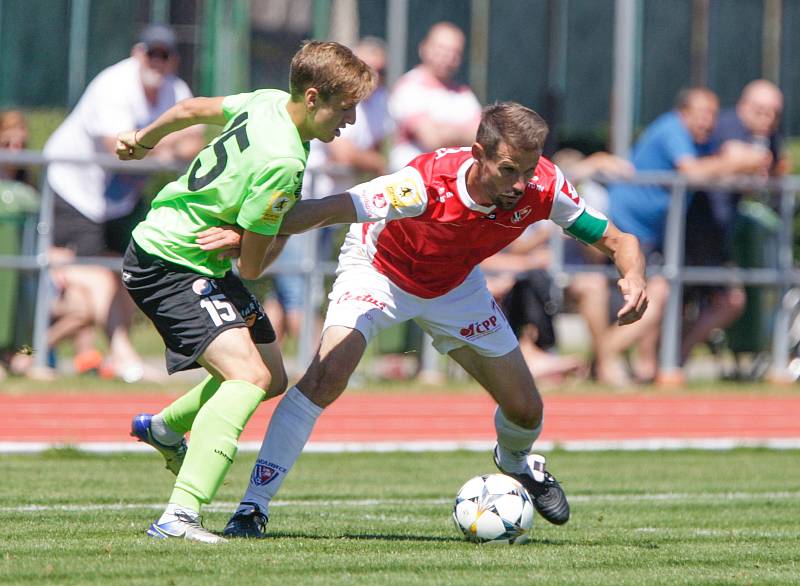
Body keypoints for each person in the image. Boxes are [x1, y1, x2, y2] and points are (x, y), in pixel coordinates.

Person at [207, 102, 649, 538]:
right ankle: (252, 507)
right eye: (510, 170)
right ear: (478, 155)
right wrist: (252, 231)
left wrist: (633, 276)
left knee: (526, 409)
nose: (521, 184)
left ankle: (516, 463)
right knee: (326, 377)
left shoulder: (545, 186)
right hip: (378, 271)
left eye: (530, 170)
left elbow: (618, 239)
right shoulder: (422, 184)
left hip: (455, 287)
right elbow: (329, 208)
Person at [114, 41, 374, 544]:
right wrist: (265, 233)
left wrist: (143, 140)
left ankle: (165, 429)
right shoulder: (284, 163)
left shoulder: (269, 100)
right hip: (170, 263)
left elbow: (191, 110)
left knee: (272, 375)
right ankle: (178, 517)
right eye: (346, 109)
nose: (352, 121)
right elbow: (255, 264)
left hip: (186, 255)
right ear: (315, 97)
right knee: (249, 375)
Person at [43, 24, 205, 381]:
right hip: (76, 191)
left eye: (165, 55)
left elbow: (194, 141)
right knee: (92, 284)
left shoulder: (175, 90)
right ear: (138, 53)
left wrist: (149, 147)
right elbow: (115, 150)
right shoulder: (114, 86)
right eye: (152, 53)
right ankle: (49, 348)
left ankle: (95, 352)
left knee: (128, 273)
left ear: (174, 59)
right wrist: (167, 148)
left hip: (121, 198)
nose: (157, 62)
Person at [607, 87, 770, 383]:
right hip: (625, 229)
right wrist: (736, 162)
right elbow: (693, 173)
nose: (707, 122)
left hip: (649, 234)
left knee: (655, 296)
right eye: (701, 114)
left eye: (711, 115)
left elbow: (715, 173)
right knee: (652, 296)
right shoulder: (673, 130)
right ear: (683, 113)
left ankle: (644, 367)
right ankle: (607, 358)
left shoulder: (698, 141)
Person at [265, 37, 394, 348]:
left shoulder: (377, 105)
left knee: (285, 290)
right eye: (367, 68)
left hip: (328, 210)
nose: (374, 76)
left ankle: (265, 356)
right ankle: (321, 361)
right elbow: (345, 154)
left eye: (381, 70)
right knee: (299, 289)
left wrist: (370, 160)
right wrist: (372, 162)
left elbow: (374, 149)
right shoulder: (332, 101)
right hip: (300, 202)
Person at [682, 80, 785, 366]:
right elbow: (718, 162)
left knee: (726, 300)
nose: (768, 119)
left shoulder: (768, 136)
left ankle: (675, 357)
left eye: (774, 113)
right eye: (761, 111)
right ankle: (673, 358)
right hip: (695, 228)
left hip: (720, 233)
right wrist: (744, 161)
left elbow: (774, 173)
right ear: (744, 107)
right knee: (724, 299)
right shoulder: (725, 125)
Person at [388, 21, 481, 171]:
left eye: (455, 52)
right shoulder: (409, 87)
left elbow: (481, 136)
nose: (448, 57)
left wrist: (442, 129)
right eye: (442, 49)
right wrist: (462, 132)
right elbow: (432, 139)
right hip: (412, 181)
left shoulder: (464, 93)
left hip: (450, 180)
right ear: (424, 48)